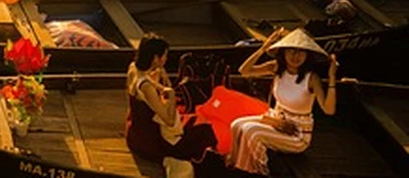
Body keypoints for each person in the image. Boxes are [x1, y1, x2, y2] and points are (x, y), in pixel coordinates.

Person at [227, 27, 338, 176]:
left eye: (300, 51)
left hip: (297, 134)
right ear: (283, 52)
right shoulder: (277, 67)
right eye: (291, 50)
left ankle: (258, 171)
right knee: (236, 125)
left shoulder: (311, 78)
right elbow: (244, 70)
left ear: (307, 55)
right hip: (276, 120)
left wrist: (332, 77)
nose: (295, 56)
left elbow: (329, 110)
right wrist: (263, 48)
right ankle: (237, 164)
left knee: (251, 131)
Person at [126, 34, 218, 166]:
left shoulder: (133, 67)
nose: (166, 59)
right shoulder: (146, 87)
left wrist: (160, 79)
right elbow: (168, 121)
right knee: (204, 130)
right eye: (164, 56)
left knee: (193, 119)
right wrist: (172, 96)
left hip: (136, 130)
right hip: (151, 140)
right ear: (156, 58)